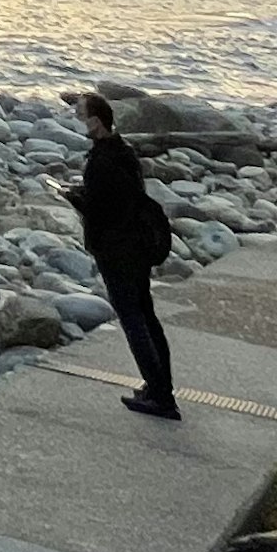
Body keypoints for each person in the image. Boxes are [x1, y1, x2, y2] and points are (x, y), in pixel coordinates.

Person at [61, 88, 179, 419]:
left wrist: (75, 199)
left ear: (96, 122)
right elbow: (122, 198)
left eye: (81, 115)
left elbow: (102, 211)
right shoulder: (123, 152)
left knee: (132, 319)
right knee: (147, 316)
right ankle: (161, 387)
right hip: (137, 246)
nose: (78, 120)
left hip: (117, 250)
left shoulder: (102, 161)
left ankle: (160, 396)